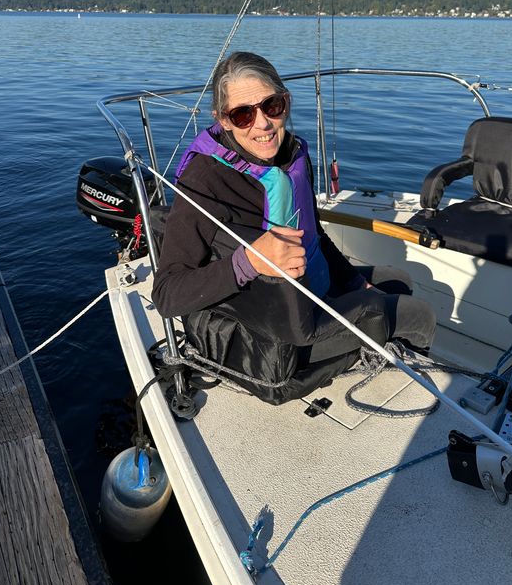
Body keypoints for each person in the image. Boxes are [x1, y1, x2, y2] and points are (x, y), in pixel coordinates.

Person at [152, 51, 436, 404]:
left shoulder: (291, 155)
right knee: (419, 316)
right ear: (223, 120)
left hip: (313, 288)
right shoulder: (205, 181)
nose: (262, 124)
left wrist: (354, 282)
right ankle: (416, 397)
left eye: (271, 106)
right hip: (279, 333)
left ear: (285, 101)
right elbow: (166, 295)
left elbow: (314, 234)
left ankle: (384, 351)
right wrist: (248, 262)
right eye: (243, 114)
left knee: (399, 281)